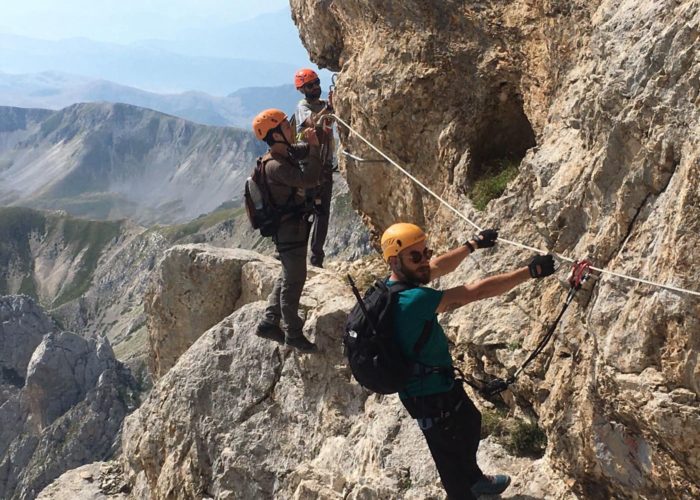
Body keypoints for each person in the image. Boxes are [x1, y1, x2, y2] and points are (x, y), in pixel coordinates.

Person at [381, 222, 556, 499]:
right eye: (416, 257)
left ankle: (474, 478)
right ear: (394, 260)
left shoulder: (393, 285)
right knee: (450, 456)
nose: (425, 261)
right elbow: (474, 292)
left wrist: (472, 245)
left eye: (425, 252)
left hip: (433, 383)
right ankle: (464, 490)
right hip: (428, 393)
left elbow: (437, 266)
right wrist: (529, 272)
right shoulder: (412, 300)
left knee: (469, 422)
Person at [252, 108, 323, 353]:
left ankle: (269, 321)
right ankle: (293, 332)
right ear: (275, 135)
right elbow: (310, 178)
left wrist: (316, 129)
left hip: (291, 228)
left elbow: (302, 148)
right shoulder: (276, 166)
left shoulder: (281, 155)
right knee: (294, 280)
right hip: (289, 231)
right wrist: (314, 147)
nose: (290, 129)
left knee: (286, 273)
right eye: (285, 126)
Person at [294, 68, 335, 268]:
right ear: (302, 89)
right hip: (309, 166)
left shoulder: (322, 105)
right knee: (307, 211)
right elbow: (313, 122)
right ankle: (298, 254)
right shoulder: (303, 106)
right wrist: (330, 107)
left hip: (324, 165)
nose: (315, 87)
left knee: (322, 213)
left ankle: (316, 258)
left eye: (317, 82)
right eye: (310, 85)